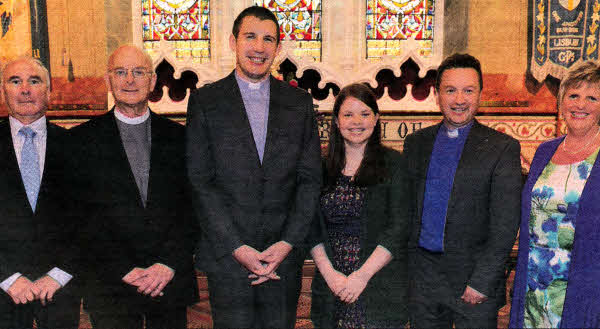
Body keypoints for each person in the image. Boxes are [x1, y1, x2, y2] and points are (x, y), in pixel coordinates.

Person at [186, 6, 322, 329]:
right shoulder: (206, 102)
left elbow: (310, 180)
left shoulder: (299, 104)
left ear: (278, 47)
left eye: (268, 39)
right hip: (229, 261)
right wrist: (237, 247)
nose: (259, 48)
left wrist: (286, 244)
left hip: (282, 260)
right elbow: (200, 181)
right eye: (250, 37)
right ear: (233, 42)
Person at [69, 45, 198, 329]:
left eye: (139, 72)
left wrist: (168, 263)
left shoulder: (181, 138)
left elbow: (193, 209)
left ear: (152, 81)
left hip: (168, 280)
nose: (130, 80)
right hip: (109, 283)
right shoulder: (80, 142)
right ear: (108, 80)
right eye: (121, 72)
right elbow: (80, 218)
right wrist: (122, 269)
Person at [404, 53, 522, 328]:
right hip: (424, 282)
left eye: (468, 90)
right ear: (437, 94)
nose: (459, 100)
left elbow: (505, 225)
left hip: (474, 284)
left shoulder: (502, 148)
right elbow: (408, 214)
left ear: (480, 93)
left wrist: (482, 281)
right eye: (450, 90)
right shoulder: (416, 144)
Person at [308, 83, 409, 328]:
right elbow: (311, 227)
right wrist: (331, 276)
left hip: (378, 285)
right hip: (332, 286)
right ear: (336, 121)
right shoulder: (320, 168)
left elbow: (399, 227)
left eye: (364, 114)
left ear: (376, 119)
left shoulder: (394, 164)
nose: (357, 122)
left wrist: (361, 277)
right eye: (348, 114)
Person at [509, 61, 600, 328]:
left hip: (584, 284)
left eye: (592, 97)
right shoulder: (545, 151)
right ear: (562, 102)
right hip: (534, 282)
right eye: (573, 95)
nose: (580, 105)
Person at [0, 57, 80, 328]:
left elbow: (90, 220)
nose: (25, 89)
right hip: (2, 287)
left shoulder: (76, 148)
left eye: (34, 81)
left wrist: (59, 274)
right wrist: (8, 277)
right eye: (15, 81)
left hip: (59, 288)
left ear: (49, 91)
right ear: (3, 91)